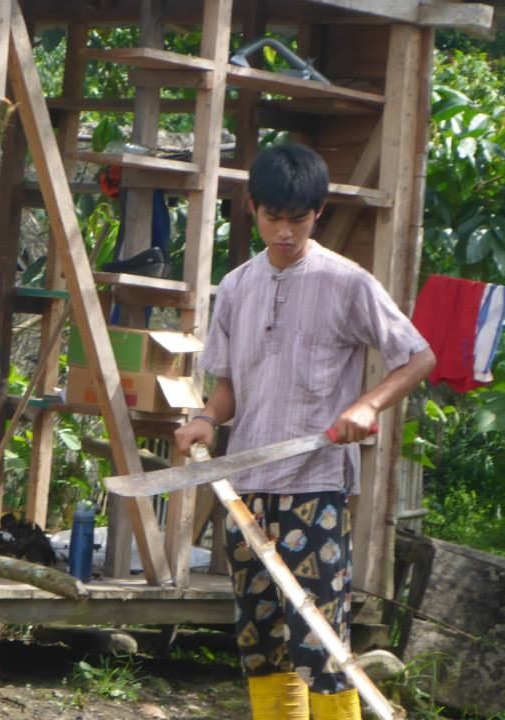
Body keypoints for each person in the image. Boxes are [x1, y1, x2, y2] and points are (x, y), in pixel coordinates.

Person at [174, 144, 435, 720]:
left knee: (320, 638)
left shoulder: (347, 283)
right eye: (273, 217)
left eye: (298, 218)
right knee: (260, 640)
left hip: (314, 485)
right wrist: (204, 420)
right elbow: (227, 388)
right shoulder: (238, 285)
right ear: (252, 208)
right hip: (244, 488)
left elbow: (418, 357)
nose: (284, 231)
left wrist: (366, 406)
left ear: (318, 212)